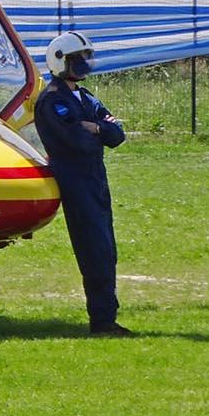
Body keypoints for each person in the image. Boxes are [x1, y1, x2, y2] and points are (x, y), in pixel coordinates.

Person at [33, 30, 132, 336]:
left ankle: (107, 316)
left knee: (107, 250)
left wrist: (97, 128)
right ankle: (102, 321)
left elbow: (117, 136)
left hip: (96, 180)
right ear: (62, 62)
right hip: (76, 181)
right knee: (94, 250)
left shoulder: (86, 98)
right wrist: (98, 131)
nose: (86, 64)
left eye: (87, 58)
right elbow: (79, 143)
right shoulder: (53, 102)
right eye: (79, 59)